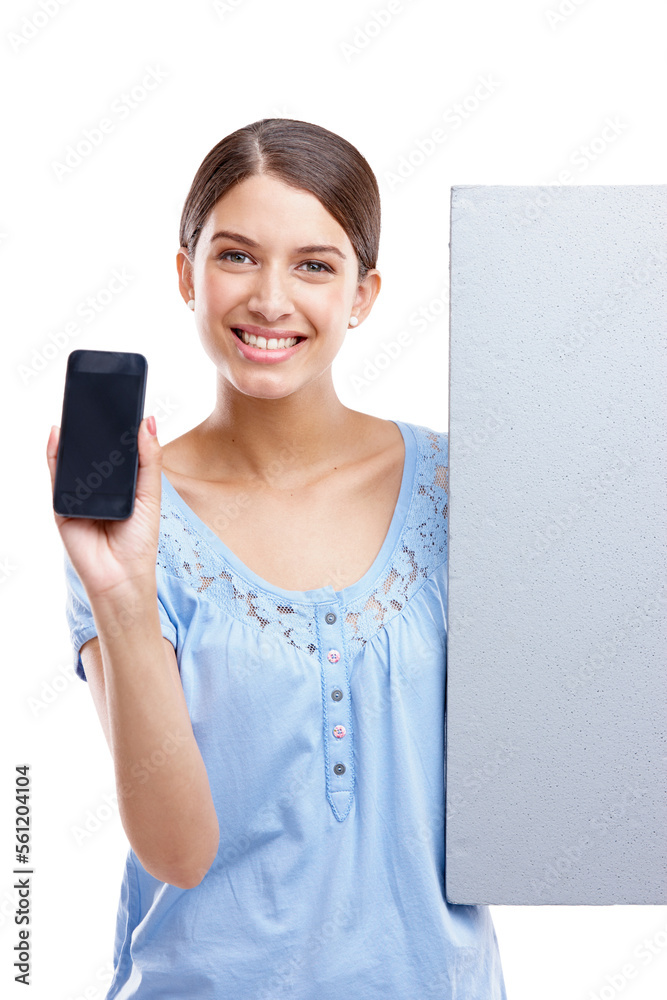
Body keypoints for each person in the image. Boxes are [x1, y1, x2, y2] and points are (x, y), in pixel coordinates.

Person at [47, 118, 507, 999]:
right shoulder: (132, 522)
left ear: (363, 294)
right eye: (235, 256)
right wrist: (122, 594)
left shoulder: (466, 488)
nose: (268, 299)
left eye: (313, 264)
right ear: (187, 273)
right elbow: (176, 851)